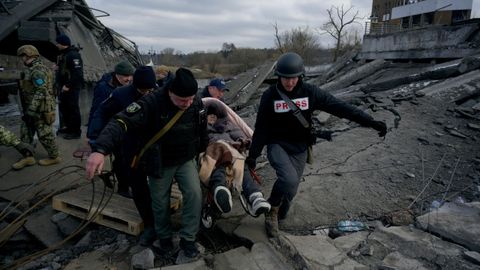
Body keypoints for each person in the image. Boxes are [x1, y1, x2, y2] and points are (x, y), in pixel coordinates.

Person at [245, 52, 388, 238]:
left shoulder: (310, 93)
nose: (289, 83)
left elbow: (340, 107)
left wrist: (370, 122)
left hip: (300, 147)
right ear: (278, 77)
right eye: (285, 78)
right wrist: (253, 156)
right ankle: (271, 211)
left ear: (300, 76)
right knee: (288, 180)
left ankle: (278, 210)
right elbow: (261, 128)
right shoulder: (269, 96)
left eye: (293, 78)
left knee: (291, 190)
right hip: (277, 144)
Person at [85, 68, 208, 262]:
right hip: (161, 161)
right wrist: (100, 149)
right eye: (182, 100)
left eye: (191, 99)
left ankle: (188, 239)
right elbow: (121, 122)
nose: (188, 104)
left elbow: (201, 128)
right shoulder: (151, 102)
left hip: (185, 158)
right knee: (159, 201)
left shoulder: (195, 101)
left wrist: (203, 150)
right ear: (170, 92)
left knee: (194, 194)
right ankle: (164, 236)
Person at [87, 66, 157, 245]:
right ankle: (129, 193)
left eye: (149, 90)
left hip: (151, 145)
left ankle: (158, 217)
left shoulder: (158, 93)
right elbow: (101, 113)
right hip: (127, 141)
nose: (146, 93)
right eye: (143, 90)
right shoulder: (120, 94)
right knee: (132, 175)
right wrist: (95, 139)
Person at [200, 101, 271, 217]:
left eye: (215, 115)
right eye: (210, 115)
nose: (212, 118)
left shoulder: (228, 125)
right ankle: (221, 189)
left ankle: (255, 197)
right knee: (221, 167)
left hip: (232, 152)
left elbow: (239, 134)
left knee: (243, 167)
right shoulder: (201, 129)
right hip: (213, 152)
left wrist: (243, 140)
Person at [14, 45, 61, 169]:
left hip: (40, 109)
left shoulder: (37, 70)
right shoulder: (34, 69)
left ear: (29, 55)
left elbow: (41, 91)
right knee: (25, 132)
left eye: (23, 56)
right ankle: (28, 156)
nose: (22, 59)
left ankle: (54, 156)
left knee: (45, 134)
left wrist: (30, 111)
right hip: (33, 108)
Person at [87, 60, 135, 127]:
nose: (129, 79)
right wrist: (91, 132)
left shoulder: (130, 87)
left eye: (131, 75)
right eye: (126, 75)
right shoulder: (103, 88)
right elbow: (96, 110)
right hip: (107, 127)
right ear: (117, 74)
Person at [55, 33, 84, 140]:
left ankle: (76, 132)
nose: (56, 45)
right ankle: (69, 128)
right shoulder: (64, 54)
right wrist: (57, 68)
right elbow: (65, 69)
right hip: (63, 87)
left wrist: (68, 85)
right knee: (65, 108)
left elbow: (78, 73)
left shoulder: (73, 55)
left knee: (73, 109)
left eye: (58, 43)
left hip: (71, 87)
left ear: (63, 44)